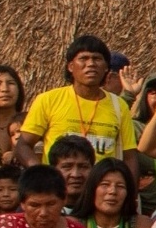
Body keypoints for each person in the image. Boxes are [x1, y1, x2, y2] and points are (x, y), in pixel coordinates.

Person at [18, 35, 141, 166]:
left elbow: (130, 157)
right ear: (70, 66)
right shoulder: (48, 100)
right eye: (83, 58)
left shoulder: (119, 106)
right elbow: (23, 145)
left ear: (106, 67)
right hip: (58, 184)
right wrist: (42, 175)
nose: (91, 64)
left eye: (97, 59)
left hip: (100, 184)